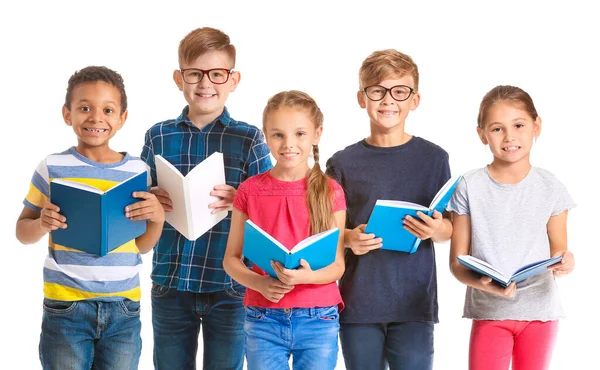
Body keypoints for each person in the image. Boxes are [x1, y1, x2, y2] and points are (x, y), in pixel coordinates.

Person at [15, 66, 165, 370]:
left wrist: (158, 218)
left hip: (124, 306)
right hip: (66, 306)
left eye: (108, 110)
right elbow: (22, 231)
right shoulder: (52, 166)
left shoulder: (137, 171)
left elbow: (142, 246)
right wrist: (43, 224)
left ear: (122, 118)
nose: (96, 117)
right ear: (67, 114)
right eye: (84, 108)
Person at [141, 27, 272, 370]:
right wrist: (151, 199)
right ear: (178, 78)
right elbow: (137, 203)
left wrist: (242, 199)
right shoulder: (158, 135)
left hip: (230, 285)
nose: (205, 83)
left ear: (233, 80)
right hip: (171, 281)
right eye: (194, 74)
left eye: (216, 74)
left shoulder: (248, 138)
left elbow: (272, 206)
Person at [325, 49, 453, 370]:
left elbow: (451, 227)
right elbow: (324, 232)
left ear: (414, 100)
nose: (387, 100)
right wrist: (348, 238)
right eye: (377, 91)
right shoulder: (342, 163)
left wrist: (436, 229)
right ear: (361, 98)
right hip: (359, 302)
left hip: (414, 304)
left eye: (399, 91)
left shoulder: (434, 158)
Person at [448, 85, 575, 370]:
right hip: (490, 312)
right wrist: (479, 281)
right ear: (482, 134)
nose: (509, 137)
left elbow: (559, 253)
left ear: (536, 126)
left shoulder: (551, 187)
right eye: (497, 129)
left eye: (518, 125)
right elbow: (458, 264)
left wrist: (566, 262)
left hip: (540, 313)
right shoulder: (469, 186)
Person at [223, 90, 346, 370]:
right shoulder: (250, 190)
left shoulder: (330, 191)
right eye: (278, 135)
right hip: (263, 317)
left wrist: (308, 276)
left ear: (317, 134)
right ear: (266, 137)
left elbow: (337, 266)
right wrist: (260, 283)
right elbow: (231, 259)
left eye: (300, 134)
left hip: (319, 319)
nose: (289, 144)